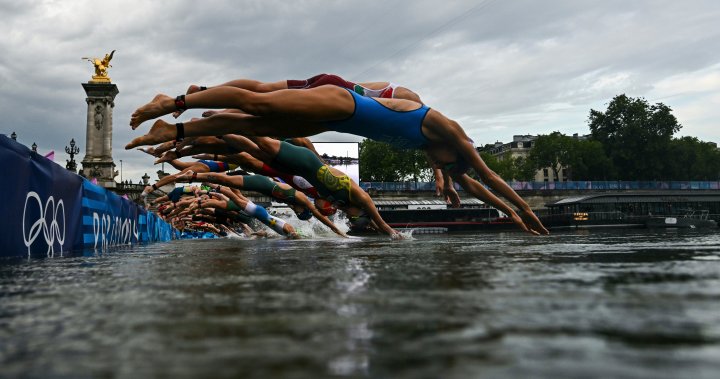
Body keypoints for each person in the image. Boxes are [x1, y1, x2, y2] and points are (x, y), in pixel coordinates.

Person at [127, 84, 549, 235]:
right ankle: (175, 103)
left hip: (339, 119)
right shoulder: (449, 131)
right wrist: (526, 208)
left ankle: (176, 131)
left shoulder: (442, 155)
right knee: (258, 105)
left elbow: (477, 186)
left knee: (255, 125)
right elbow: (489, 175)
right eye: (450, 169)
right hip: (342, 102)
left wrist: (512, 217)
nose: (450, 173)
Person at [173, 170, 348, 237]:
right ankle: (198, 177)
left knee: (236, 196)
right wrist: (337, 231)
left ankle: (203, 181)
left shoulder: (298, 203)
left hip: (265, 199)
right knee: (234, 193)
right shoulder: (302, 200)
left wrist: (257, 234)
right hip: (265, 186)